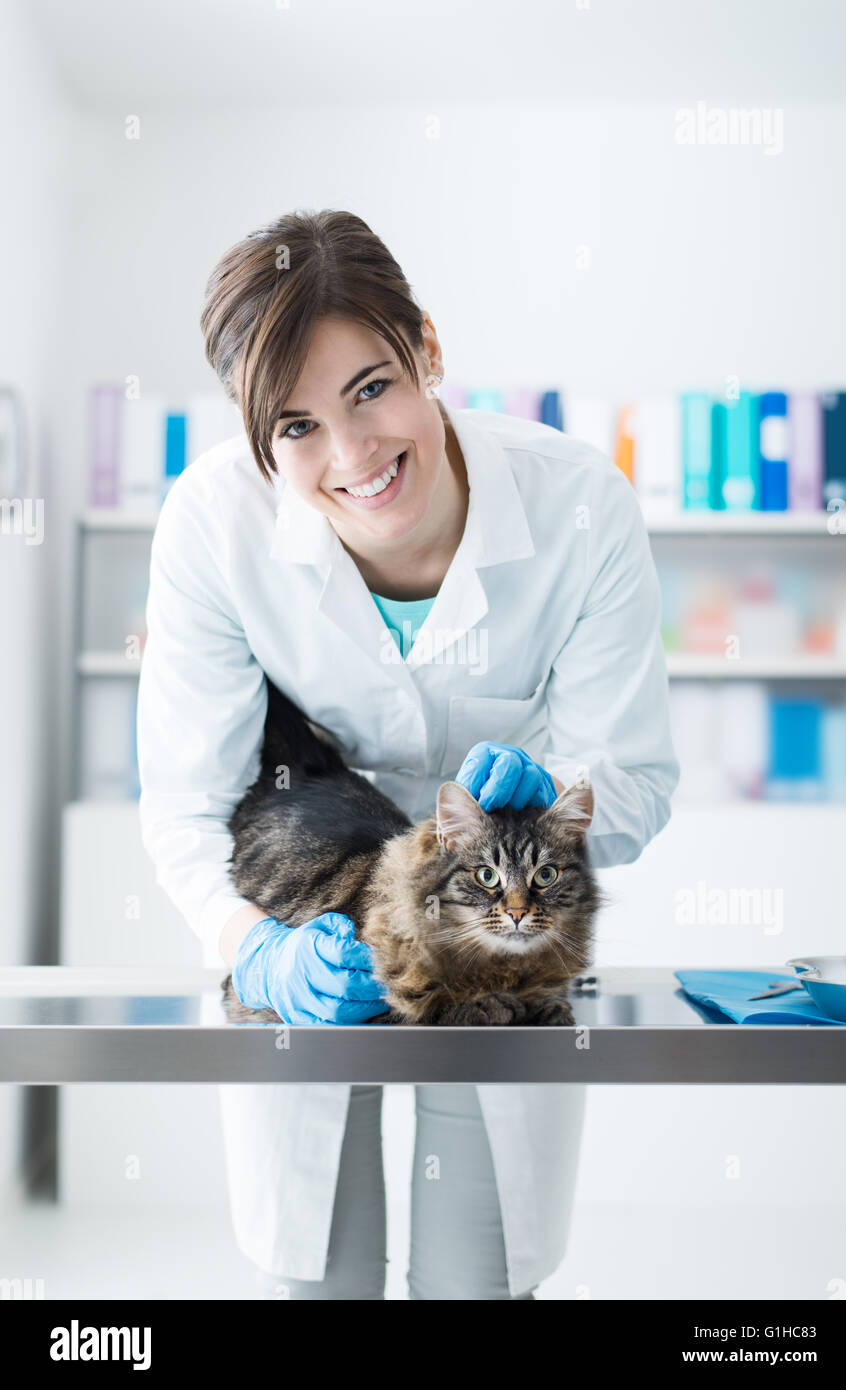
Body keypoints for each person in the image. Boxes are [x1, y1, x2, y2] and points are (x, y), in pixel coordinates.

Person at [137, 208, 679, 1300]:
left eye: (372, 388)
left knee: (475, 1281)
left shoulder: (580, 506)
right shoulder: (212, 525)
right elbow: (187, 804)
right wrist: (255, 951)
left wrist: (560, 796)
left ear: (427, 349)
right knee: (322, 1278)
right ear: (256, 438)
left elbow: (638, 773)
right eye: (293, 427)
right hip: (308, 922)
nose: (353, 458)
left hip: (494, 936)